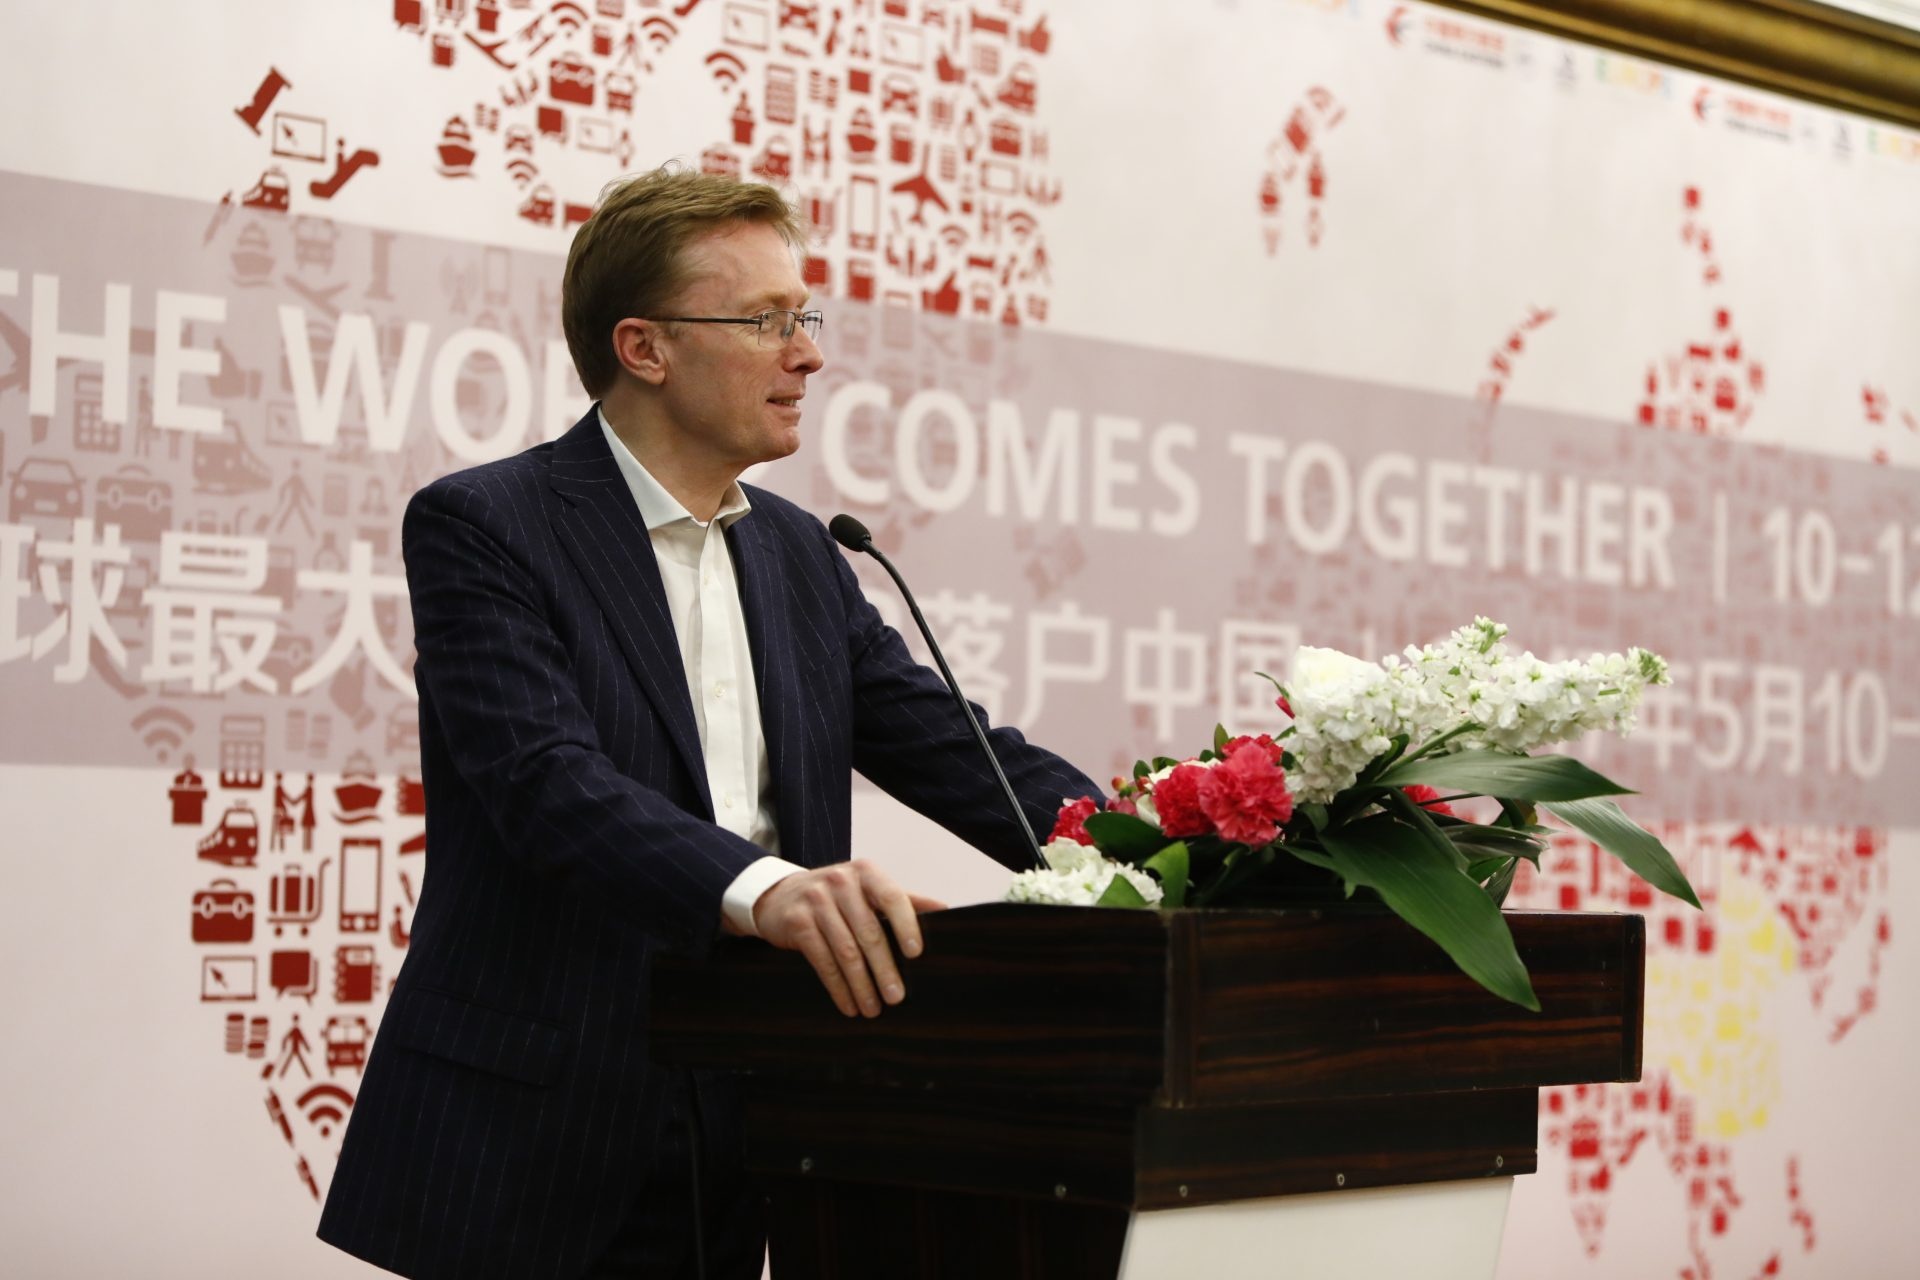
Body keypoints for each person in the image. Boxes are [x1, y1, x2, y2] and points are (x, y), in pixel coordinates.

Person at [317, 166, 1097, 1280]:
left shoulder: (798, 553)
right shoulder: (487, 525)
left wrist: (1160, 850)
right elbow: (547, 783)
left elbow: (964, 752)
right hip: (543, 1119)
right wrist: (769, 888)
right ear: (645, 347)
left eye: (806, 315)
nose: (810, 353)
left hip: (756, 1106)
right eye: (767, 320)